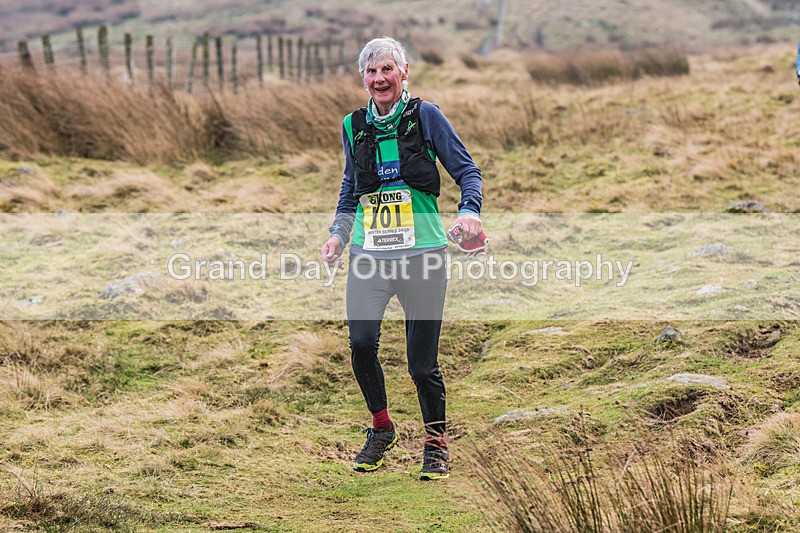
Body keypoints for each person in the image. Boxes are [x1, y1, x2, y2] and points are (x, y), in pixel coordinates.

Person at [321, 36, 483, 480]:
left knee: (421, 364)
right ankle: (381, 427)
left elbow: (467, 171)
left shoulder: (426, 116)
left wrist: (469, 212)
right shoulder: (353, 125)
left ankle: (436, 444)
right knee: (360, 343)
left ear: (404, 72)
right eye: (371, 72)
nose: (379, 79)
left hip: (423, 253)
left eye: (387, 69)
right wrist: (338, 235)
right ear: (363, 78)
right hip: (370, 255)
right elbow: (350, 188)